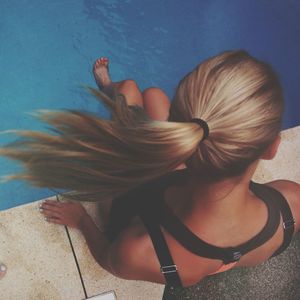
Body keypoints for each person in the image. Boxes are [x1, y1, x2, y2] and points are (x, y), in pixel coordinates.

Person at [1, 50, 299, 288]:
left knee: (133, 91)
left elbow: (107, 258)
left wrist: (82, 219)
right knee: (153, 95)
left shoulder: (142, 252)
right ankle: (117, 97)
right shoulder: (291, 207)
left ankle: (109, 89)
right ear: (273, 147)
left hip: (133, 198)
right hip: (179, 181)